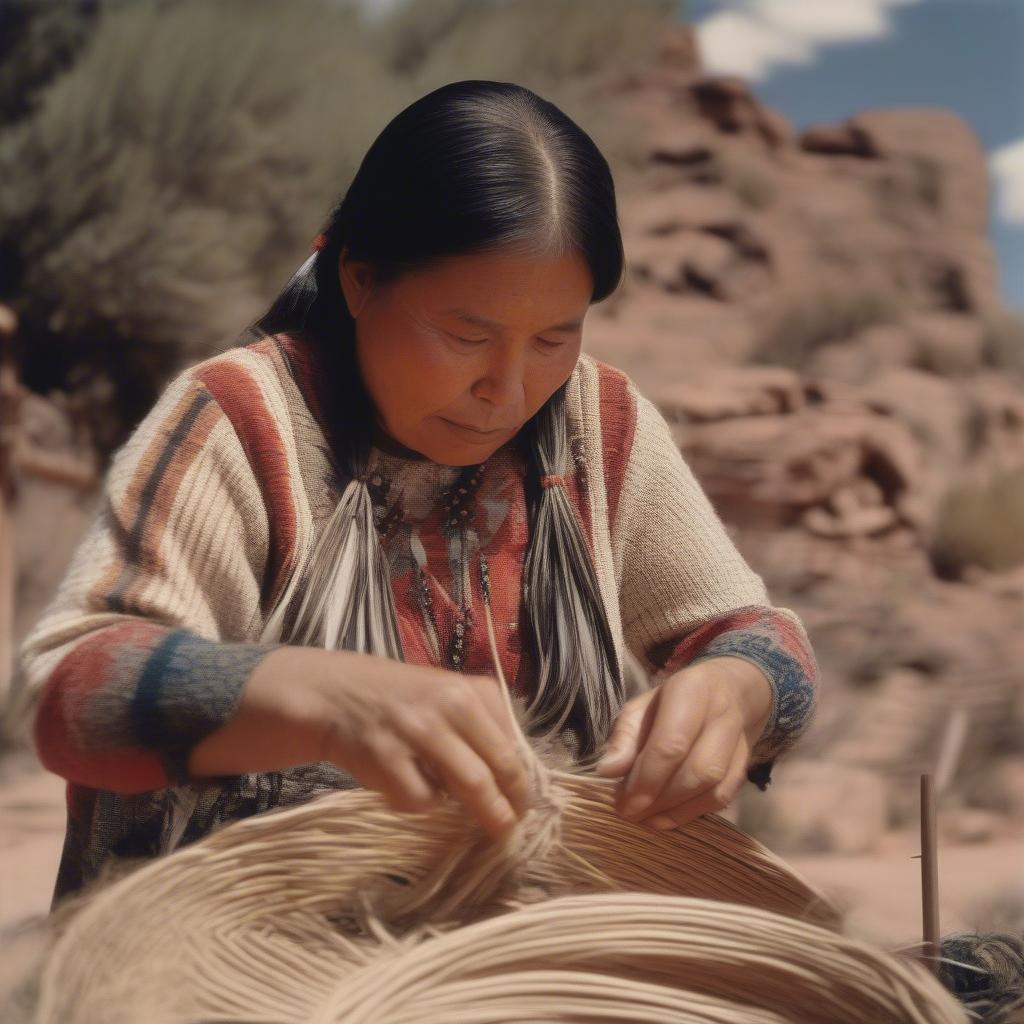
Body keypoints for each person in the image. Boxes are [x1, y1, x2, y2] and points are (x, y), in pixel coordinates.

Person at [18, 80, 820, 907]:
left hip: (506, 958)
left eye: (555, 337)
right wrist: (312, 697)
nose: (507, 391)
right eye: (466, 336)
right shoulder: (243, 422)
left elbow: (760, 640)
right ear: (361, 281)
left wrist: (736, 689)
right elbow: (75, 696)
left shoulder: (597, 424)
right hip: (232, 960)